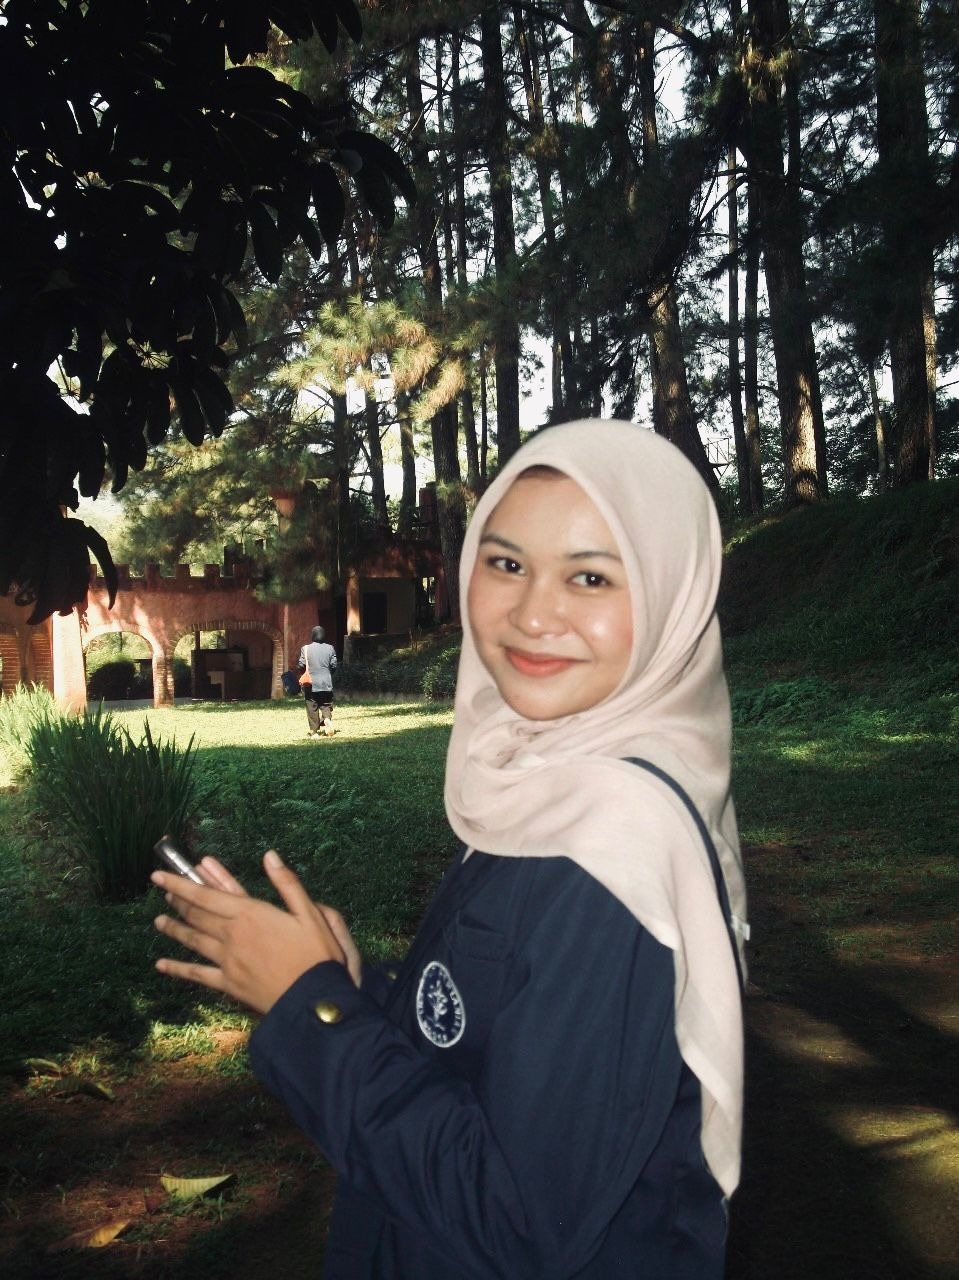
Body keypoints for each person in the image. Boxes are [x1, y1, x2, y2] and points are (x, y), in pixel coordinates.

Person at [152, 419, 748, 1280]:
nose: (532, 614)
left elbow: (516, 1224)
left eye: (589, 576)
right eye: (505, 563)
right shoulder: (551, 781)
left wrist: (312, 1010)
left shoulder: (609, 848)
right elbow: (495, 1041)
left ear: (671, 597)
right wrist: (351, 987)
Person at [299, 624, 338, 737]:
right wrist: (328, 673)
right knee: (326, 704)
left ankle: (314, 731)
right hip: (326, 682)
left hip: (311, 683)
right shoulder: (330, 648)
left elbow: (301, 664)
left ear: (313, 636)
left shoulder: (306, 649)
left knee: (312, 705)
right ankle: (327, 719)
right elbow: (334, 665)